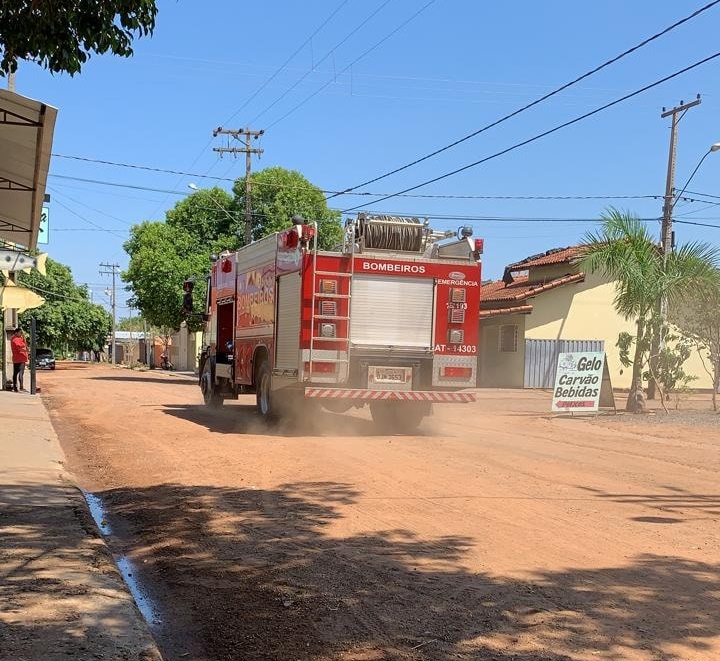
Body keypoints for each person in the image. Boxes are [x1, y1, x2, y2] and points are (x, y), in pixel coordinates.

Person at [10, 327, 29, 392]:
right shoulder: (15, 339)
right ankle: (21, 387)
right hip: (20, 358)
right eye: (20, 332)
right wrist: (26, 349)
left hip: (18, 358)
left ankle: (16, 387)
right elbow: (20, 347)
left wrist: (23, 337)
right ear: (16, 332)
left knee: (16, 373)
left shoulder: (17, 338)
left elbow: (24, 344)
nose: (21, 334)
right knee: (20, 372)